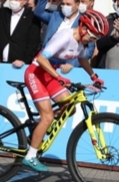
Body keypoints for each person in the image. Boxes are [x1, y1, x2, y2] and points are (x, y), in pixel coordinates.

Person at [23, 10, 109, 172]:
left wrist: (93, 76)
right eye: (93, 37)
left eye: (96, 39)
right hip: (36, 73)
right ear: (83, 28)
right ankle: (30, 156)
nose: (93, 41)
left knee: (70, 108)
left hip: (50, 75)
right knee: (48, 117)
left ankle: (38, 125)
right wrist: (59, 77)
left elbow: (82, 58)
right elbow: (41, 58)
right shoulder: (65, 37)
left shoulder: (81, 41)